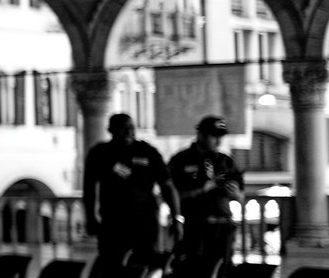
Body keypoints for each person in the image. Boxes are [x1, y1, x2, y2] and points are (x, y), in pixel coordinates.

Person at [82, 112, 173, 267]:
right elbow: (89, 188)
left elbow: (167, 185)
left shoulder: (147, 151)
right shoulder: (100, 153)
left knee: (147, 262)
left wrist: (176, 216)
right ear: (111, 130)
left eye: (131, 127)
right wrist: (90, 218)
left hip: (145, 219)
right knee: (111, 264)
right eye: (122, 128)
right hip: (114, 219)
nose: (128, 132)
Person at [168, 115, 245, 262]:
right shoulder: (181, 160)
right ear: (201, 135)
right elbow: (172, 195)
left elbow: (241, 196)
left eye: (221, 136)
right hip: (196, 227)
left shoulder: (225, 161)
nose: (218, 141)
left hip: (223, 226)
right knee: (197, 271)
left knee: (223, 270)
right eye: (213, 136)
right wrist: (203, 188)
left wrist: (235, 194)